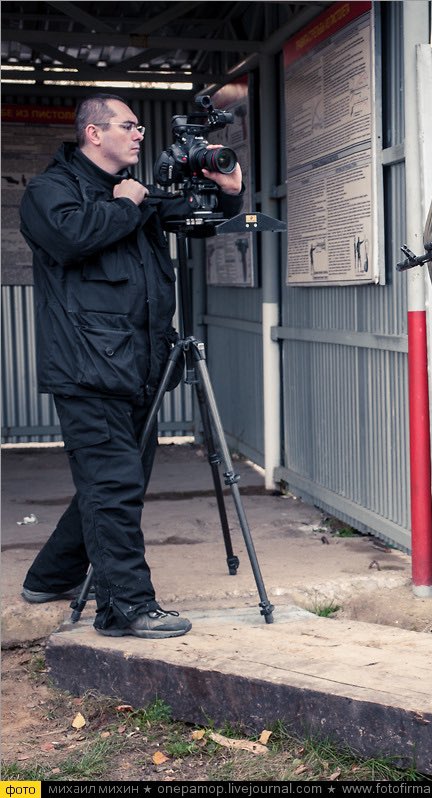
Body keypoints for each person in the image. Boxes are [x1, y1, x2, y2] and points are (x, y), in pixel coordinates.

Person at [20, 93, 243, 639]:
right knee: (114, 485)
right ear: (94, 133)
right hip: (87, 368)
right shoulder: (49, 192)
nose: (139, 134)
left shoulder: (134, 193)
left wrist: (229, 190)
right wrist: (125, 206)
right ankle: (125, 607)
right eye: (128, 125)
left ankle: (49, 577)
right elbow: (71, 239)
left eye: (140, 126)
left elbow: (196, 221)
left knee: (114, 484)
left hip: (140, 368)